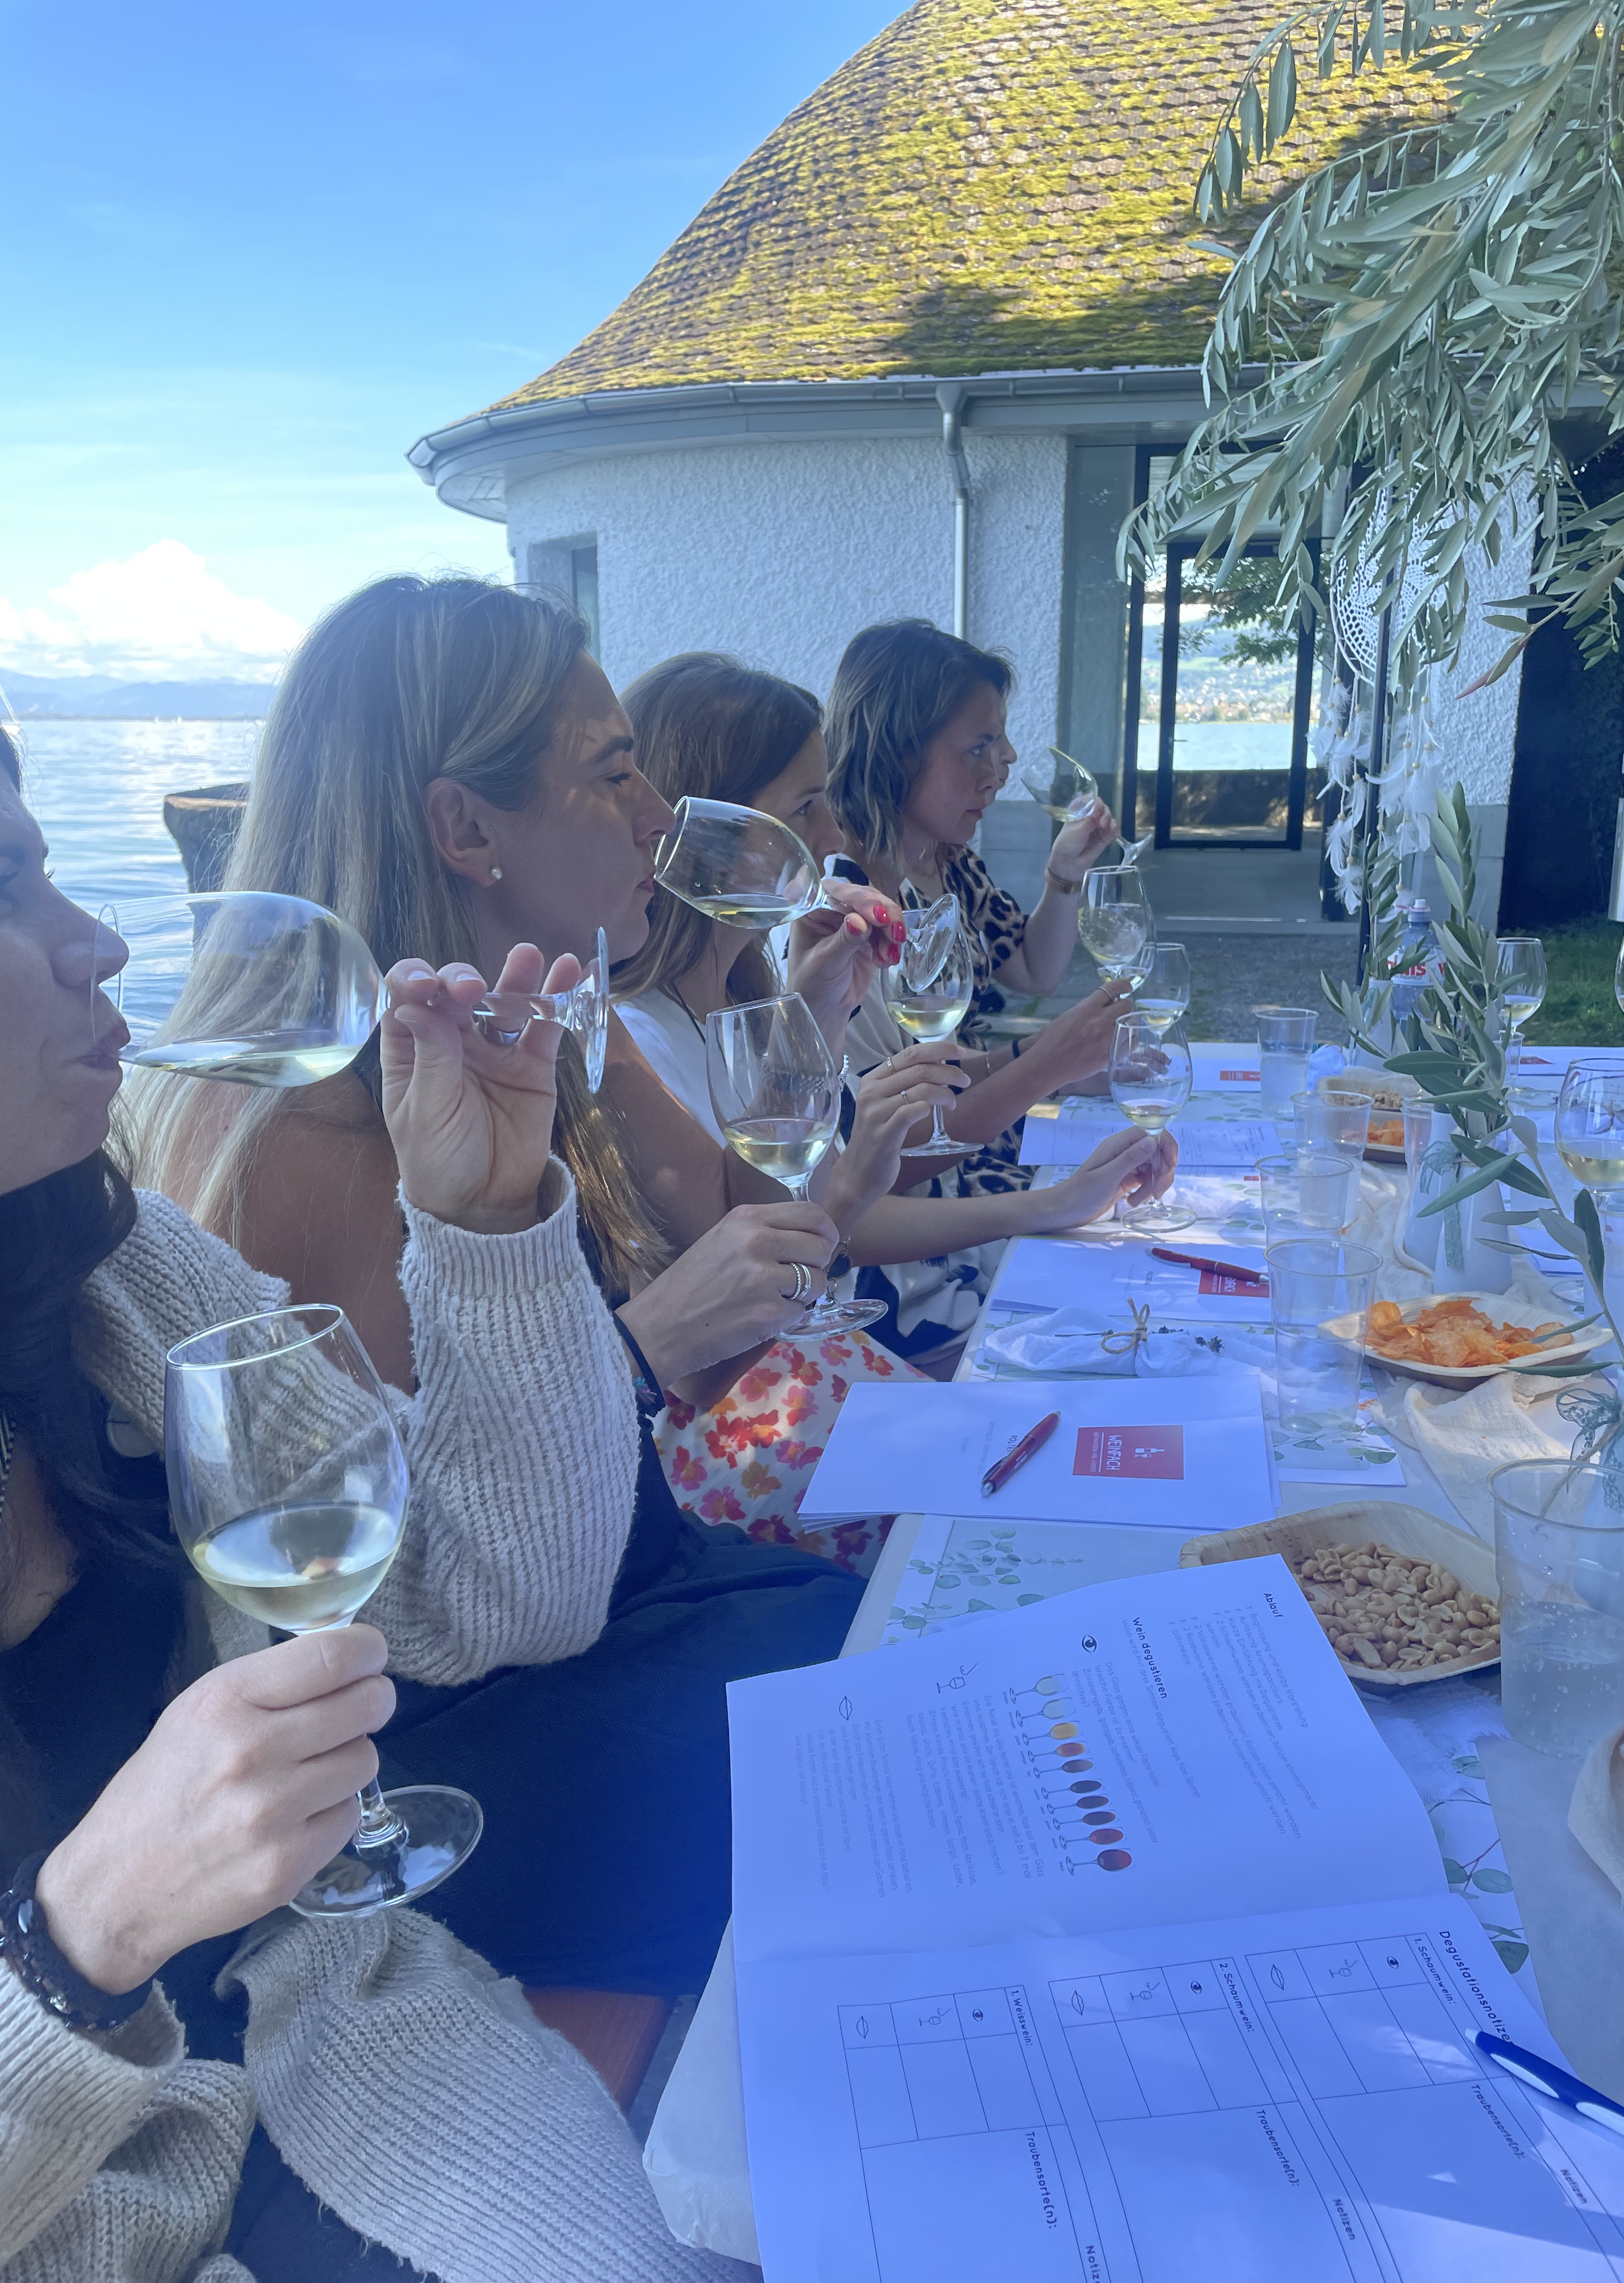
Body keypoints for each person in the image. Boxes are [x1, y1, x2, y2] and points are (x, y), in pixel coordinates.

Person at [0, 726, 740, 2281]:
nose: (99, 943)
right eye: (7, 889)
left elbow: (510, 1603)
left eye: (53, 872)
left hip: (331, 2052)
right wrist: (80, 1944)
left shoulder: (115, 1278)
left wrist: (486, 1222)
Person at [123, 575, 877, 1995]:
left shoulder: (545, 1027)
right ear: (466, 831)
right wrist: (646, 1341)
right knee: (898, 1754)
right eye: (614, 771)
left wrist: (800, 1029)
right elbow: (421, 1591)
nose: (659, 813)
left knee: (915, 1640)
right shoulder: (307, 1135)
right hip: (461, 1738)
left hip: (616, 1602)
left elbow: (750, 1225)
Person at [615, 653, 1179, 1539]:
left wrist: (814, 1024)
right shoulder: (636, 1045)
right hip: (753, 1426)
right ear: (703, 835)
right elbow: (740, 1327)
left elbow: (820, 1206)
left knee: (1127, 1406)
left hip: (824, 1361)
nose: (831, 830)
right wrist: (1041, 1128)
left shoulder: (759, 988)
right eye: (806, 807)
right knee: (1076, 1472)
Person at [821, 618, 1146, 1352]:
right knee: (1132, 1301)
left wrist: (1065, 874)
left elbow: (1029, 973)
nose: (1006, 762)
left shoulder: (938, 868)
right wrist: (1047, 1065)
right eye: (979, 745)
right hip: (917, 1273)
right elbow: (883, 1159)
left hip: (976, 1190)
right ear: (896, 752)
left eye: (1000, 742)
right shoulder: (839, 917)